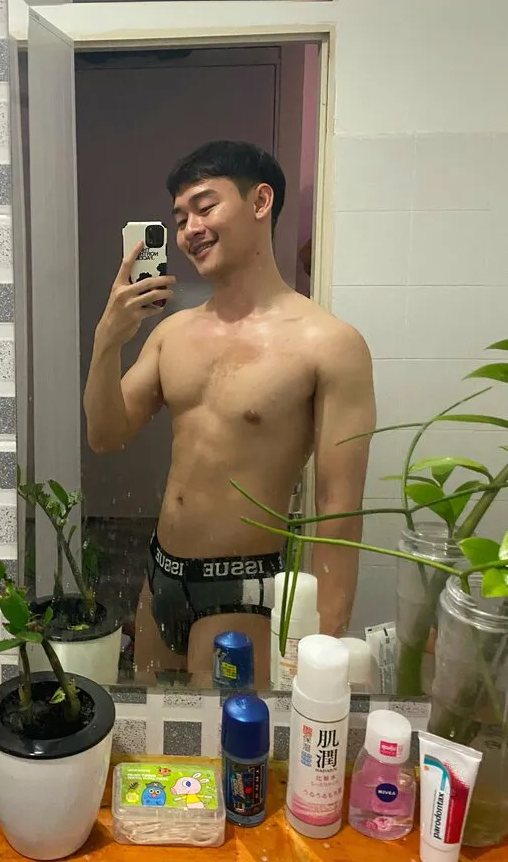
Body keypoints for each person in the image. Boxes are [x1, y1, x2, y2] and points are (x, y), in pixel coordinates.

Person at [82, 140, 376, 688]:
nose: (189, 229)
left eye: (205, 207)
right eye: (180, 218)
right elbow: (105, 434)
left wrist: (325, 639)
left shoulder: (329, 344)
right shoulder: (172, 333)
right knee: (155, 729)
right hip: (161, 577)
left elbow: (339, 508)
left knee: (225, 738)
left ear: (260, 201)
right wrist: (107, 341)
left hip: (243, 592)